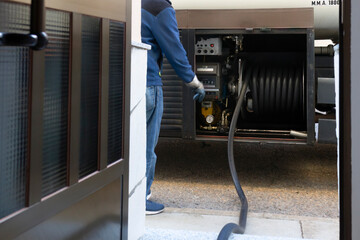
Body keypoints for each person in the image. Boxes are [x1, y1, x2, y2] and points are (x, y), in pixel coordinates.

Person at [141, 0, 205, 215]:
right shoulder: (159, 6)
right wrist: (194, 82)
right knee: (146, 146)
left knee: (127, 144)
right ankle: (140, 199)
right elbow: (174, 49)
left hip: (122, 82)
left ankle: (125, 194)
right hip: (147, 84)